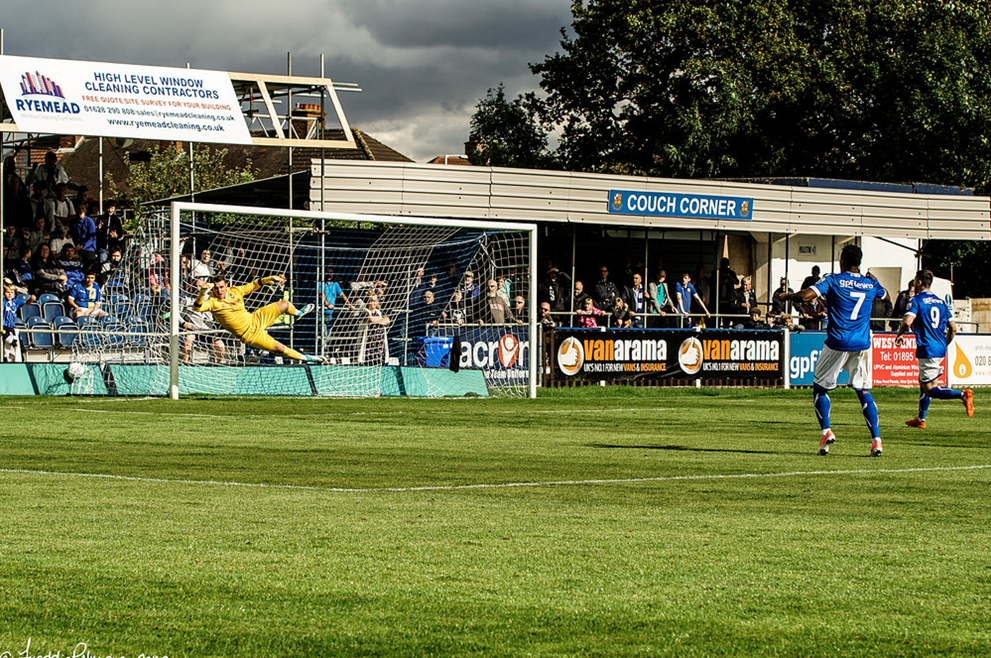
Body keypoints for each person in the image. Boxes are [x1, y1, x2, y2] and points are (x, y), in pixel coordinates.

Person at [785, 244, 888, 456]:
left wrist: (787, 297)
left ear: (841, 260)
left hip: (838, 341)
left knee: (820, 388)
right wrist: (874, 281)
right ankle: (876, 440)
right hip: (862, 344)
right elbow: (886, 296)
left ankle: (826, 431)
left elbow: (806, 296)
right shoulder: (870, 283)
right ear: (858, 262)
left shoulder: (834, 279)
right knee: (863, 391)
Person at [894, 269, 974, 428]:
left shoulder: (916, 300)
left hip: (927, 348)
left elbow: (908, 321)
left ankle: (963, 395)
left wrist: (899, 334)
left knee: (931, 389)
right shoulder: (941, 302)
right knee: (923, 382)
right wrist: (944, 343)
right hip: (939, 347)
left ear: (919, 282)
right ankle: (920, 419)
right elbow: (953, 328)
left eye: (915, 280)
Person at [194, 273, 322, 363]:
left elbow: (253, 285)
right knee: (280, 348)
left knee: (284, 304)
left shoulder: (235, 291)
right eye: (216, 288)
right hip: (249, 334)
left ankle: (299, 313)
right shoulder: (212, 302)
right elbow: (197, 308)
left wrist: (267, 279)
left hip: (255, 318)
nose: (219, 290)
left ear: (226, 285)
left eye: (221, 287)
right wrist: (201, 295)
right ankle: (310, 358)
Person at [180, 277, 226, 364]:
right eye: (196, 286)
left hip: (207, 331)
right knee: (188, 338)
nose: (198, 289)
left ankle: (218, 364)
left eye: (201, 286)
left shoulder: (211, 299)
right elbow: (176, 313)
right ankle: (184, 363)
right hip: (192, 329)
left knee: (220, 345)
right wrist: (183, 323)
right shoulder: (186, 299)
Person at [3, 283, 34, 362]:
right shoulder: (2, 301)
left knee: (18, 345)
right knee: (8, 343)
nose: (10, 294)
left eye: (12, 292)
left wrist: (31, 299)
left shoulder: (15, 302)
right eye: (8, 292)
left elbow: (26, 303)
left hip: (11, 326)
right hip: (4, 326)